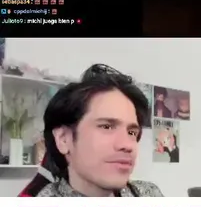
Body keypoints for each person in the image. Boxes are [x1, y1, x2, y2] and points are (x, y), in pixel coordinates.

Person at [20, 65, 163, 197]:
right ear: (63, 139)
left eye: (131, 132)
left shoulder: (149, 195)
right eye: (106, 127)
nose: (127, 145)